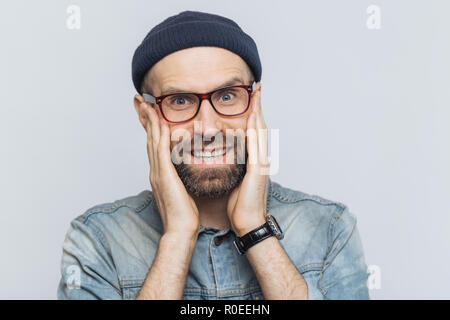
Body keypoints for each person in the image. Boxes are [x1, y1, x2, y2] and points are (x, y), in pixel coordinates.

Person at [57, 10, 370, 300]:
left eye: (227, 95)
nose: (208, 128)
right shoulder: (97, 241)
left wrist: (254, 227)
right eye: (180, 100)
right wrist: (178, 237)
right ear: (145, 114)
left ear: (255, 101)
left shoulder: (329, 228)